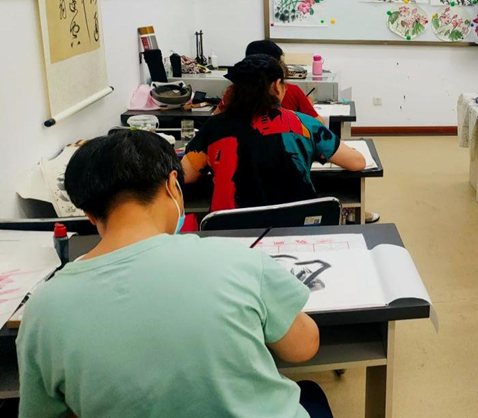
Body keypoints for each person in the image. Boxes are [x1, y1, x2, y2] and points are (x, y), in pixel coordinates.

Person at [17, 130, 333, 418]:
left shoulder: (44, 308)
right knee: (310, 393)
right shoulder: (236, 259)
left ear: (88, 213)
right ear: (172, 185)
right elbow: (302, 348)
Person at [182, 55, 365, 212]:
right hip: (296, 228)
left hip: (230, 232)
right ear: (278, 86)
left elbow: (186, 175)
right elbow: (357, 162)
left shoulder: (213, 127)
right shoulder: (304, 124)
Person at [218, 40, 323, 122]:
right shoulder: (291, 91)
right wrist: (307, 107)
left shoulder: (234, 91)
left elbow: (217, 117)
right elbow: (318, 123)